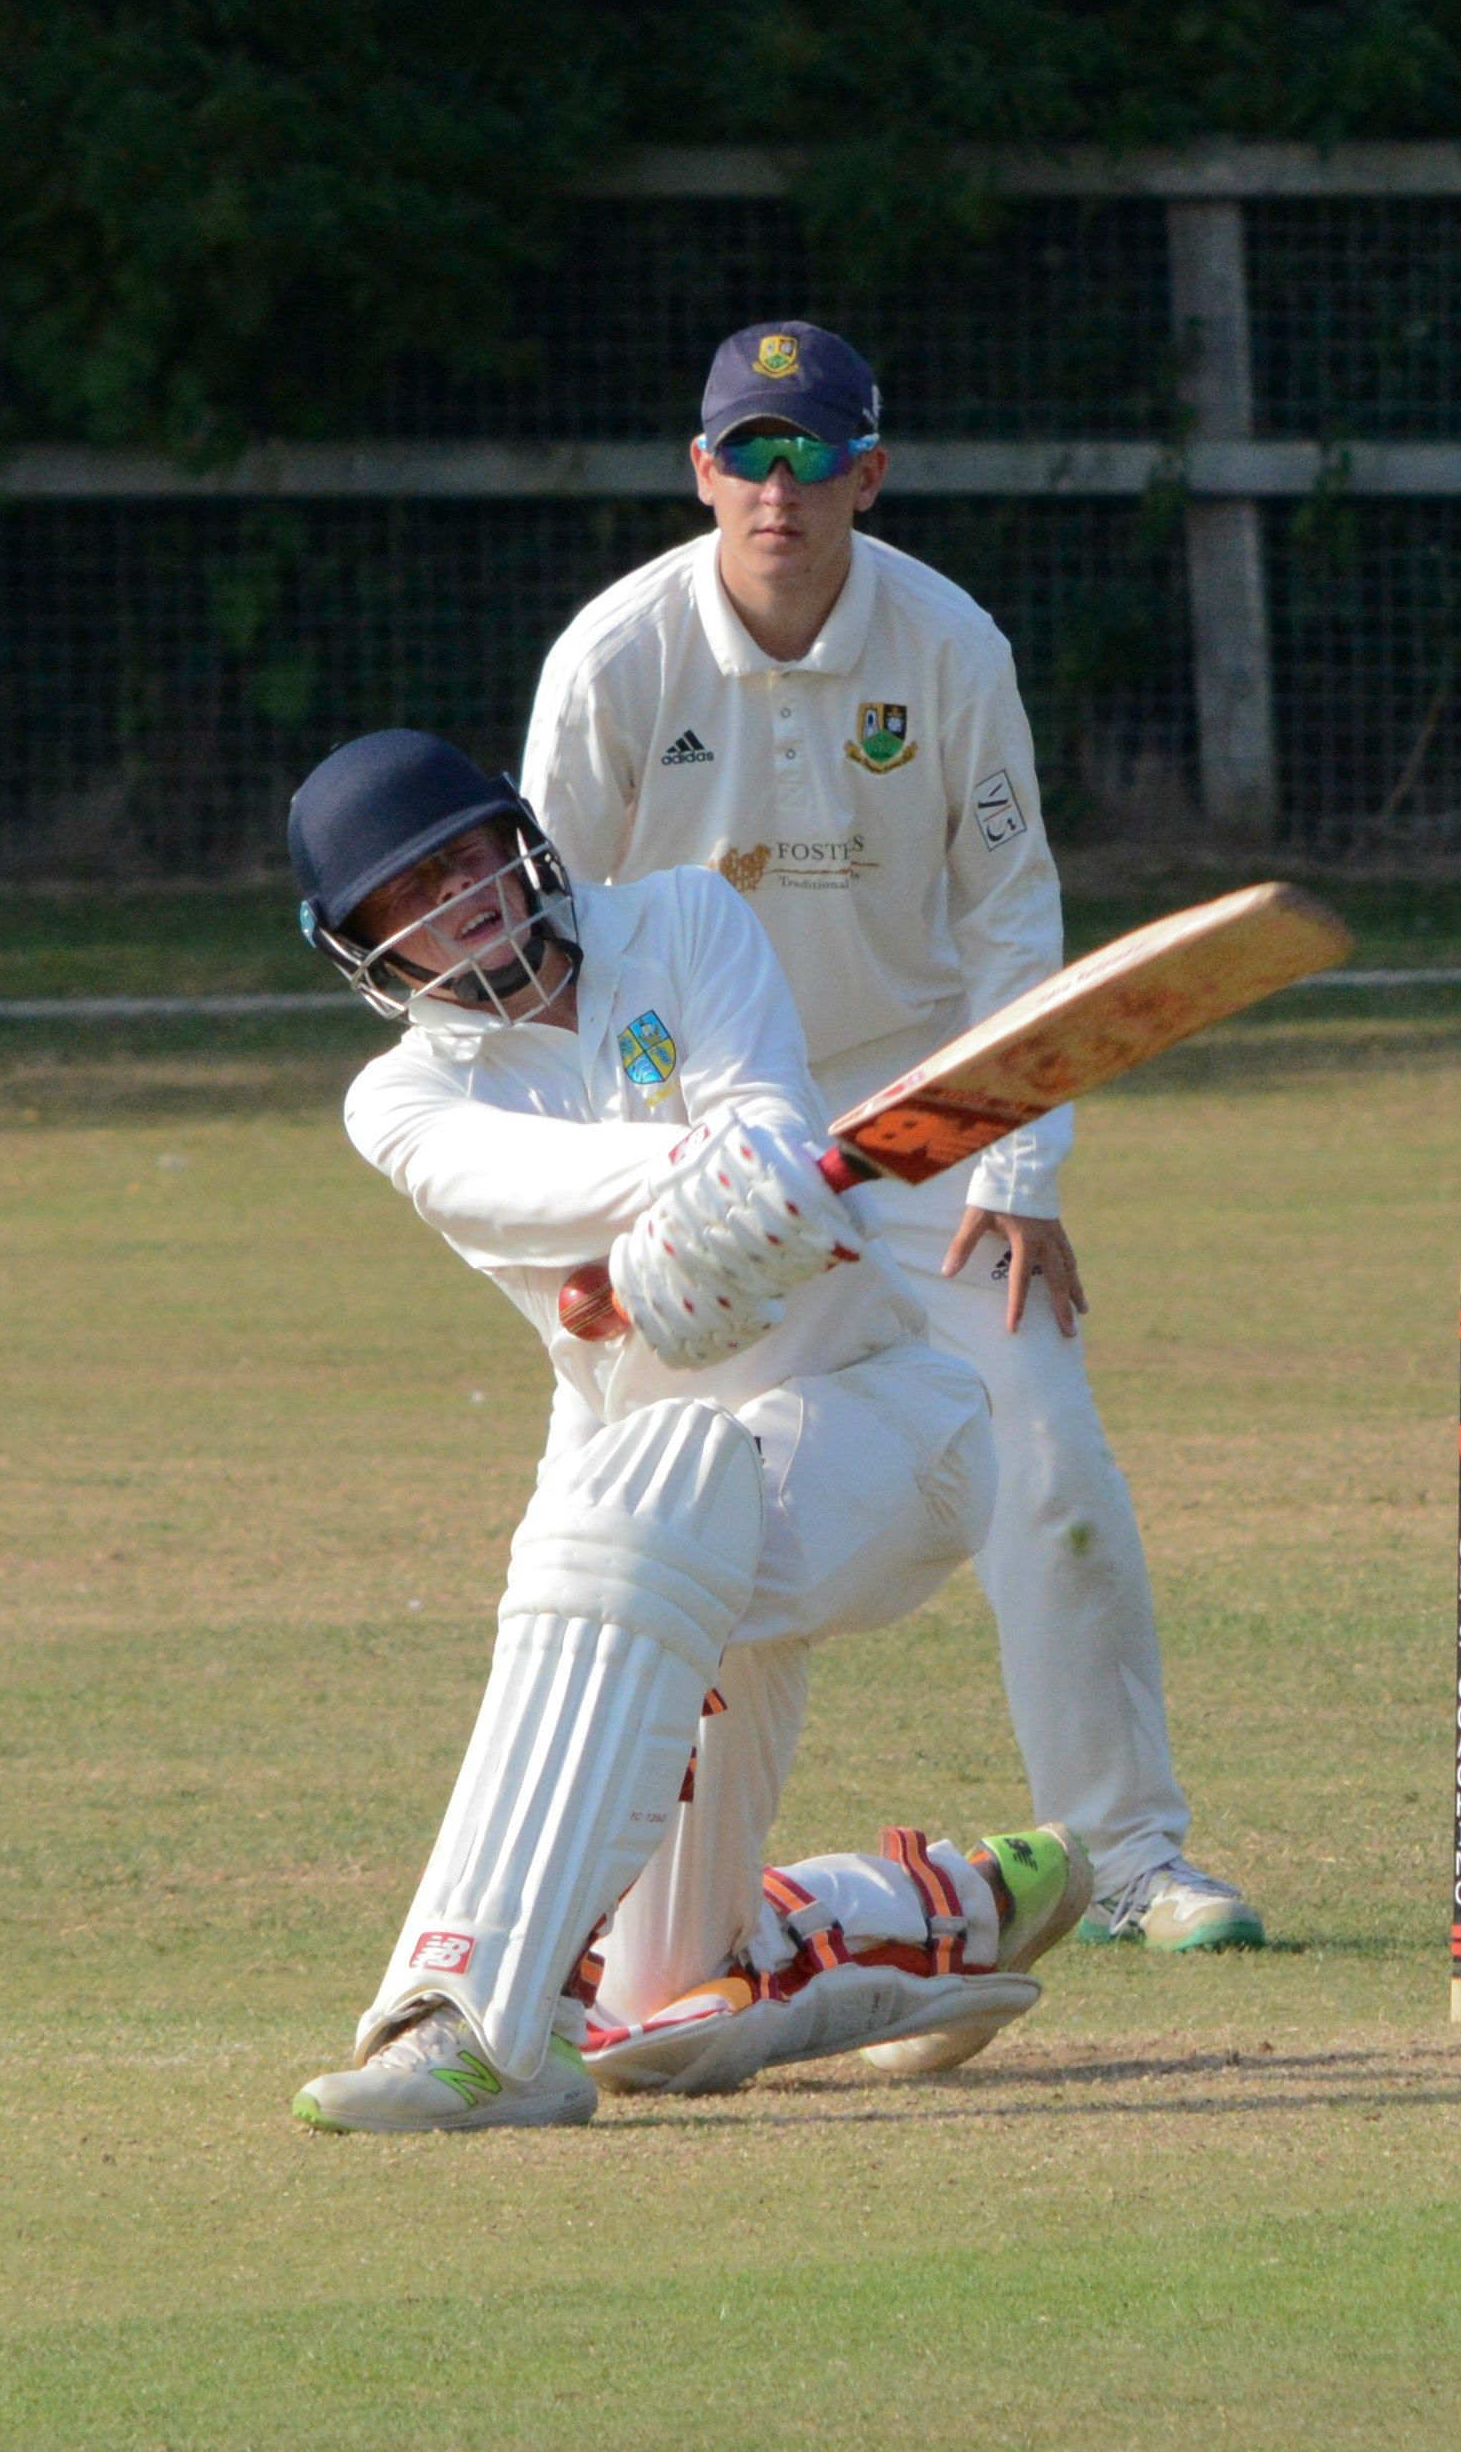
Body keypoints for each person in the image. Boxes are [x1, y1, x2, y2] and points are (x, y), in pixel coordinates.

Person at [516, 320, 1266, 1956]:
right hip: (702, 1144)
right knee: (625, 1516)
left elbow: (1011, 917)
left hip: (924, 1125)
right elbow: (541, 949)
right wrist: (591, 1192)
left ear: (870, 472)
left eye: (811, 456)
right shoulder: (615, 658)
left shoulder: (947, 643)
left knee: (1053, 1468)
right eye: (748, 455)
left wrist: (1019, 1164)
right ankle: (574, 1910)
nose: (777, 490)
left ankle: (1130, 1857)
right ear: (701, 470)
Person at [285, 727, 1096, 2133]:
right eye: (406, 895)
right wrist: (711, 1189)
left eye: (466, 855)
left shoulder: (682, 917)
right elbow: (561, 1179)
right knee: (664, 2013)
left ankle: (463, 2025)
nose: (455, 896)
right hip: (674, 1550)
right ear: (360, 948)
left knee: (633, 1501)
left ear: (519, 843)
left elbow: (766, 1128)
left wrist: (739, 1191)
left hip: (886, 1430)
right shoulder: (404, 1102)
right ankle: (937, 1909)